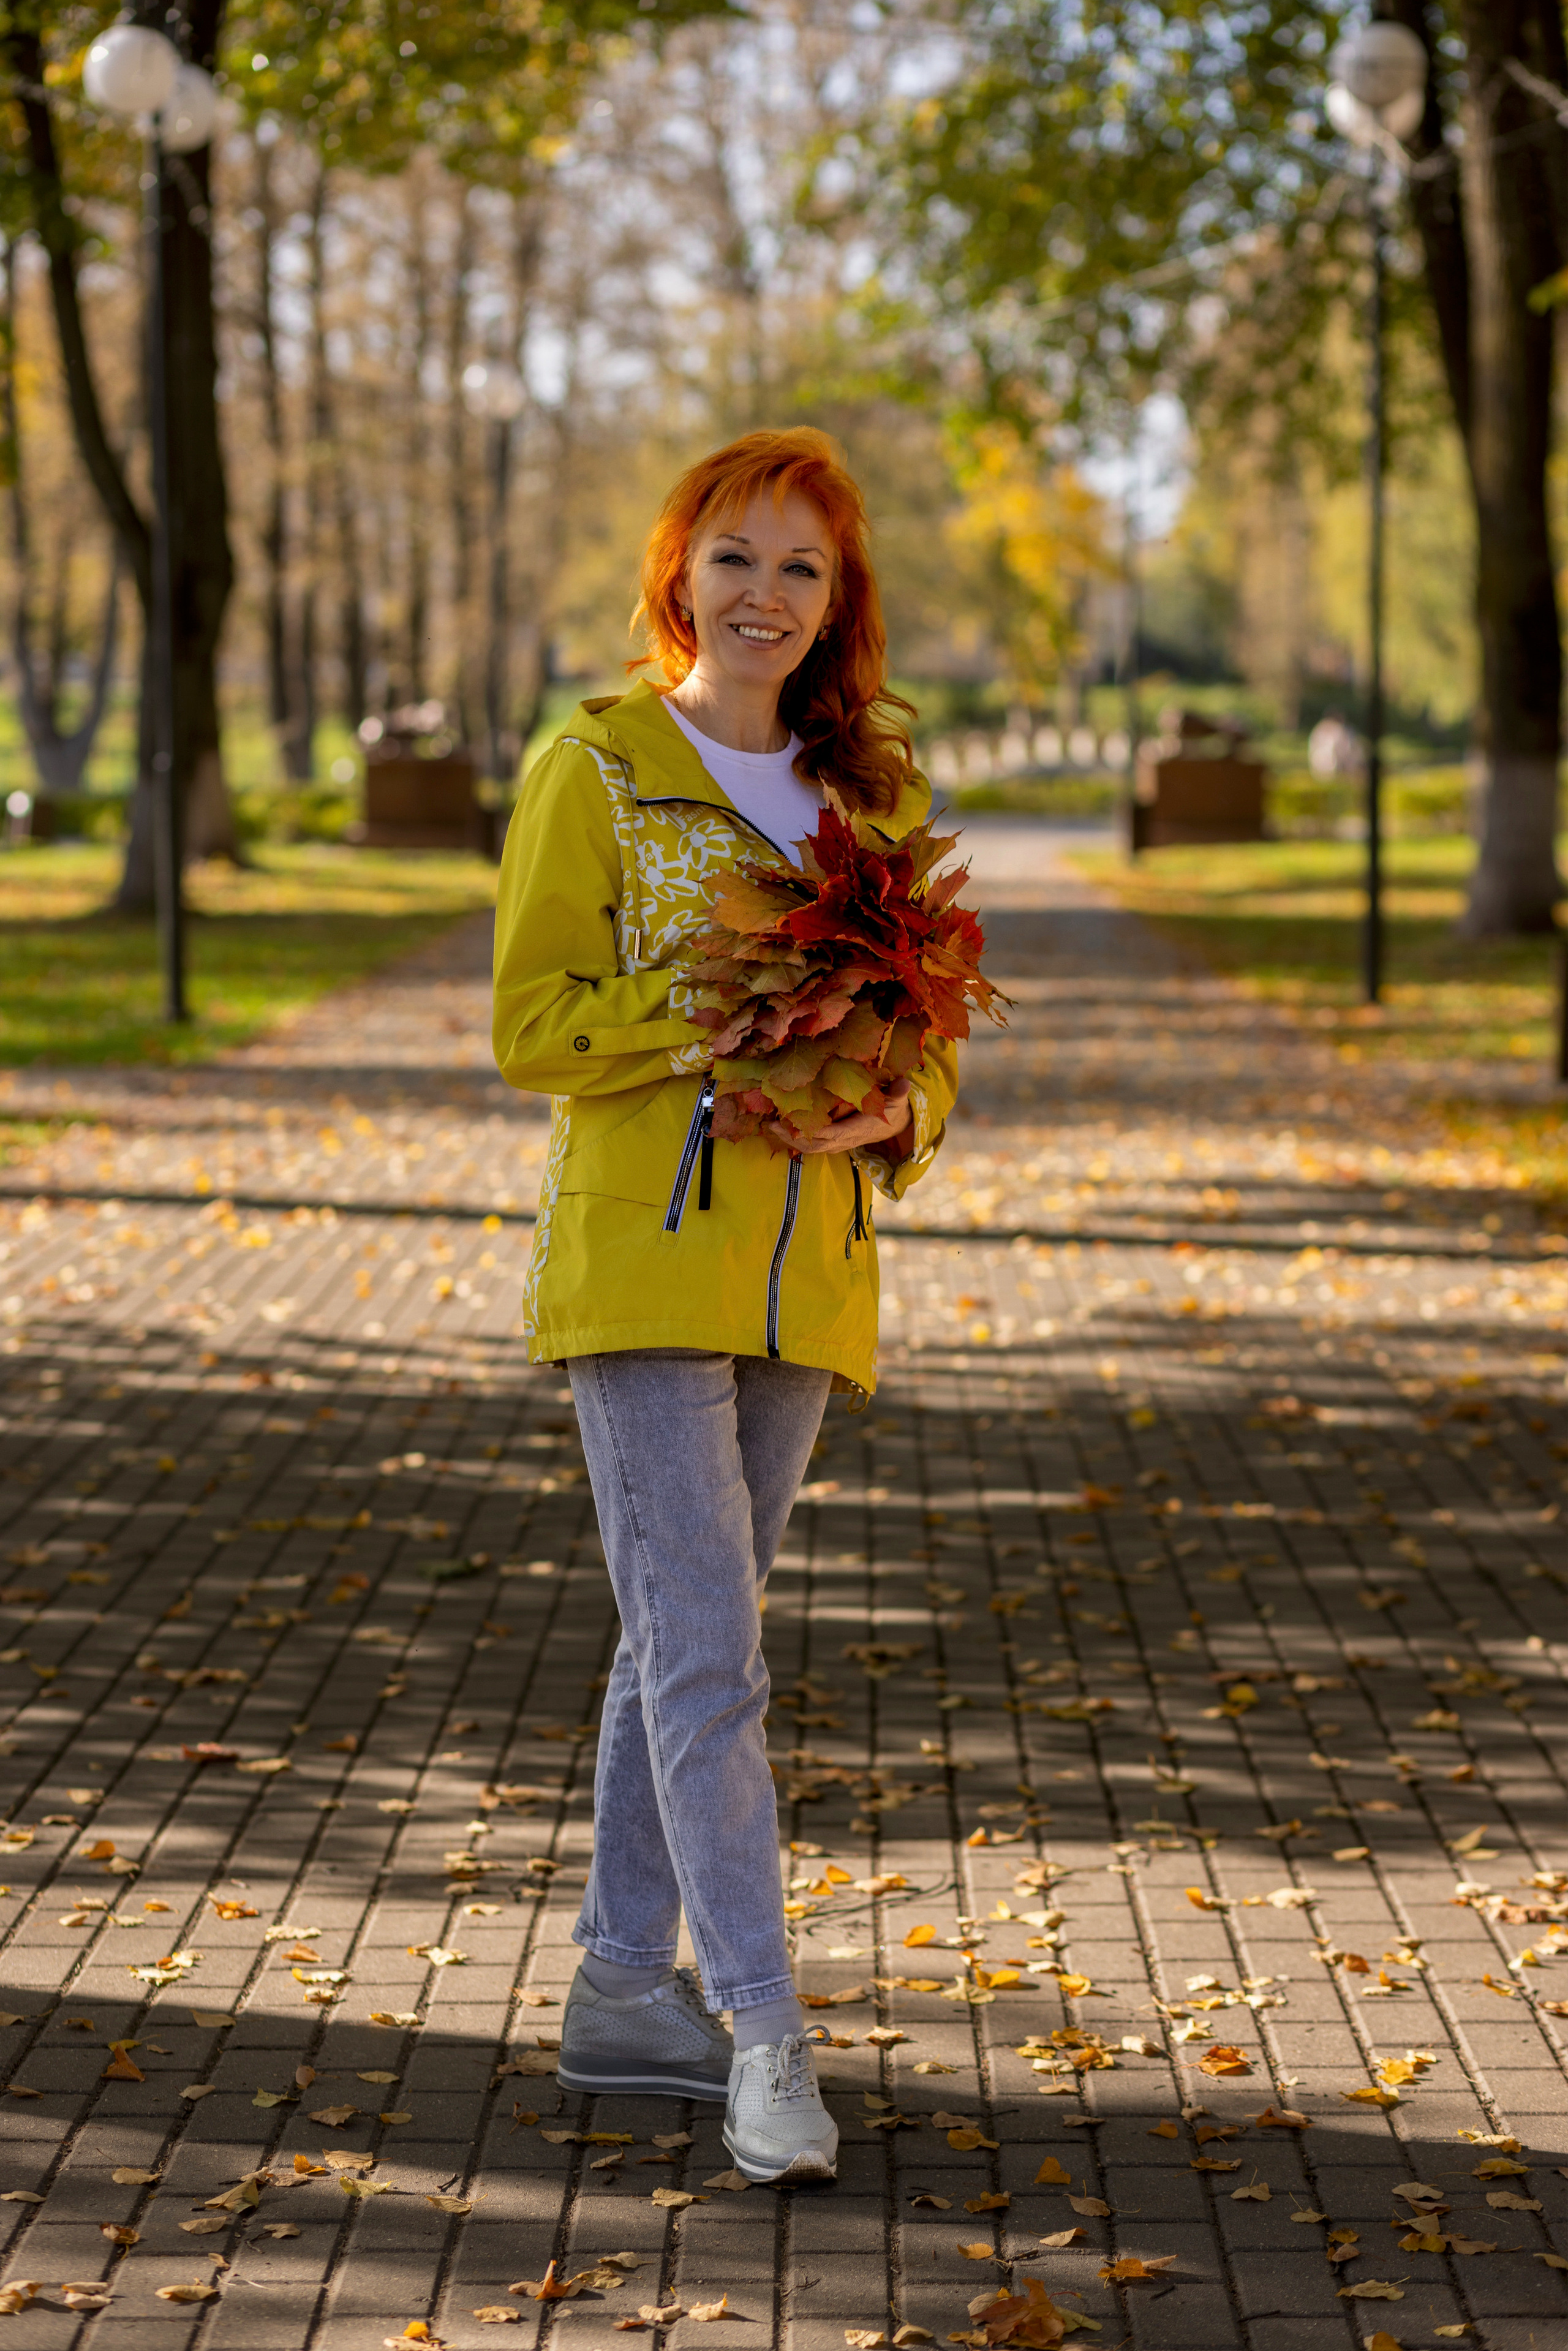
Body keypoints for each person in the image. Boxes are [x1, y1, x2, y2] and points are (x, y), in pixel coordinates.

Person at [491, 428, 959, 2184]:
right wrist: (711, 1015)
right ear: (676, 570)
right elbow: (533, 1025)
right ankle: (767, 2029)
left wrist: (893, 1111)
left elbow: (934, 1038)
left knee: (678, 1648)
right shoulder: (596, 767)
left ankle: (625, 1990)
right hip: (642, 1265)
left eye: (803, 568)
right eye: (735, 555)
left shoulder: (865, 800)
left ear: (839, 605)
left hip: (812, 1278)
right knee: (710, 1661)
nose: (764, 593)